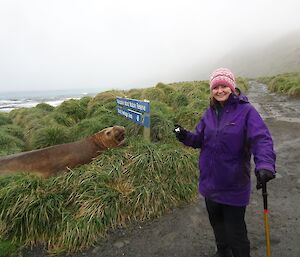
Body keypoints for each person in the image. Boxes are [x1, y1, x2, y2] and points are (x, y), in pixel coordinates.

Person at [173, 68, 276, 257]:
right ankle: (222, 253)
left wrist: (265, 165)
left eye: (224, 86)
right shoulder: (209, 114)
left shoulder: (246, 112)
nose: (220, 90)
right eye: (215, 87)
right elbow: (198, 139)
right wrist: (184, 135)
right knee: (218, 229)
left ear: (232, 87)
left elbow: (261, 139)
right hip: (210, 185)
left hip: (234, 186)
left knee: (236, 235)